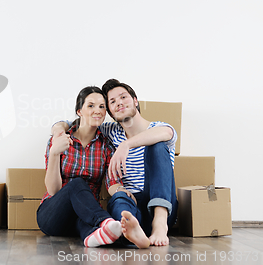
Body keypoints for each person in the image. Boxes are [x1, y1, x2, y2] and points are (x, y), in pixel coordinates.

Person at [51, 79, 178, 247]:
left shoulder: (159, 127)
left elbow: (167, 133)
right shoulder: (110, 131)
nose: (119, 103)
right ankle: (132, 233)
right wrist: (58, 130)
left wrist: (127, 144)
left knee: (157, 146)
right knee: (119, 198)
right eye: (112, 102)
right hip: (130, 204)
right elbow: (78, 122)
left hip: (160, 205)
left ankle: (159, 225)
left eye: (123, 97)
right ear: (109, 112)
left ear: (135, 100)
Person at [37, 86, 146, 248]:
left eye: (102, 106)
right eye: (91, 105)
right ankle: (105, 222)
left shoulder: (106, 146)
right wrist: (54, 153)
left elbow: (111, 183)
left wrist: (120, 191)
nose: (98, 111)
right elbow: (53, 191)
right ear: (79, 111)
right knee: (77, 184)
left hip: (85, 214)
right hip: (53, 215)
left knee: (93, 229)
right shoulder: (60, 139)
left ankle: (97, 237)